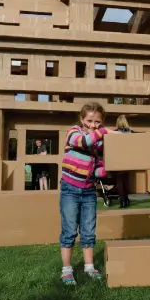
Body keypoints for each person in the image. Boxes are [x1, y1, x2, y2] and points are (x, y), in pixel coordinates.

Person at [59, 102, 122, 285]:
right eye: (89, 121)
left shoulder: (98, 144)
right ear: (81, 119)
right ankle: (67, 270)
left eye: (98, 122)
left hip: (88, 192)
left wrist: (108, 170)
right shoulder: (74, 132)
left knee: (88, 231)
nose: (93, 125)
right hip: (70, 190)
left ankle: (89, 267)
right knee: (69, 231)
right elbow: (83, 142)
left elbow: (95, 170)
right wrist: (106, 131)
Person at [113, 114, 134, 208]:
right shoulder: (131, 132)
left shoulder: (114, 132)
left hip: (118, 159)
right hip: (128, 159)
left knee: (120, 181)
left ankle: (122, 201)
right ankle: (126, 199)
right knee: (126, 180)